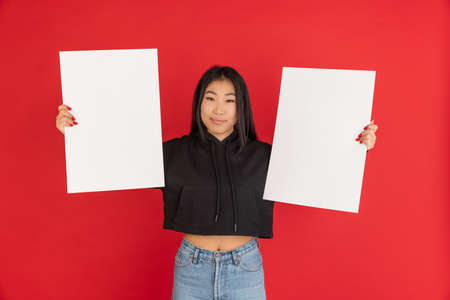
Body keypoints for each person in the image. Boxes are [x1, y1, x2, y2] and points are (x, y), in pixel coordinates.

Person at [56, 65, 378, 299]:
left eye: (229, 100)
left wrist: (355, 144)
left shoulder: (267, 157)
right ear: (200, 103)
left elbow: (320, 166)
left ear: (241, 108)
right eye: (210, 98)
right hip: (191, 267)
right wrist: (76, 130)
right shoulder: (174, 153)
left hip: (246, 268)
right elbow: (116, 157)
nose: (219, 109)